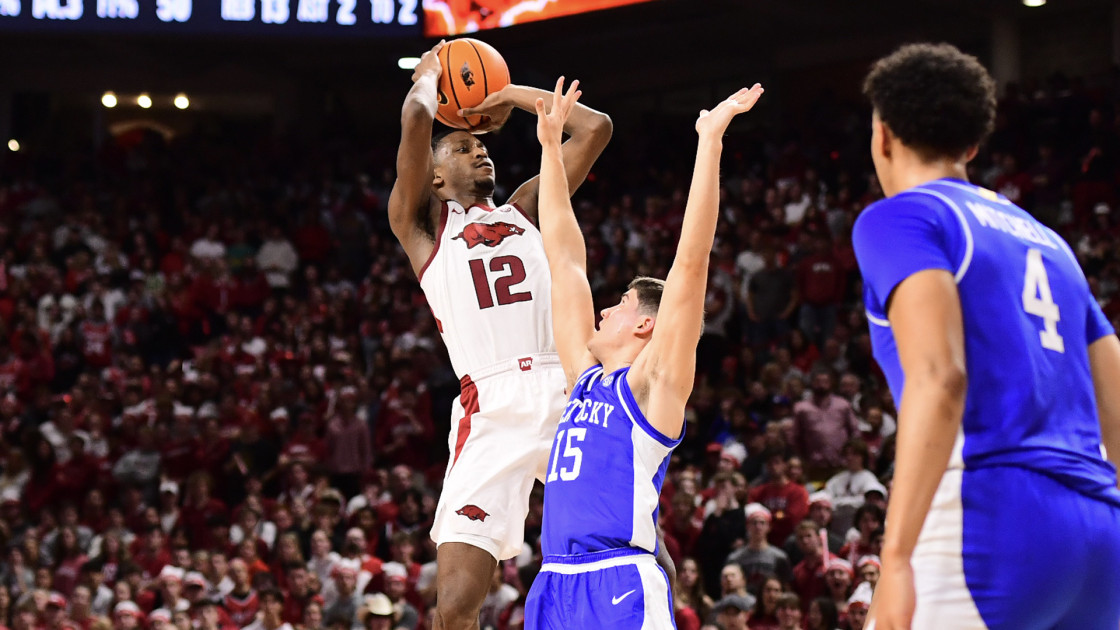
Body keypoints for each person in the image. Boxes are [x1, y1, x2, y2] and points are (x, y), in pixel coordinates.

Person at [854, 43, 1120, 630]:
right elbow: (1116, 407)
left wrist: (894, 558)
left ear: (884, 135)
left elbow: (940, 377)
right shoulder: (1053, 243)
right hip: (1100, 531)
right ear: (973, 145)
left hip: (992, 512)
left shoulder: (902, 217)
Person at [521, 78, 764, 629]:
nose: (604, 311)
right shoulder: (584, 379)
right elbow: (563, 257)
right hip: (553, 579)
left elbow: (692, 264)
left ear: (648, 324)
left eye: (621, 304)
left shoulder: (653, 385)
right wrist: (550, 146)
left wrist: (709, 141)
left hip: (618, 578)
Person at [387, 41, 612, 630]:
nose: (479, 151)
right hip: (487, 407)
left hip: (565, 386)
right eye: (463, 147)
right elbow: (416, 116)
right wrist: (433, 69)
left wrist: (508, 94)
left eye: (482, 144)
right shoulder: (421, 231)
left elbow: (594, 129)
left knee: (636, 545)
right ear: (435, 179)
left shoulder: (526, 209)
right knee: (457, 605)